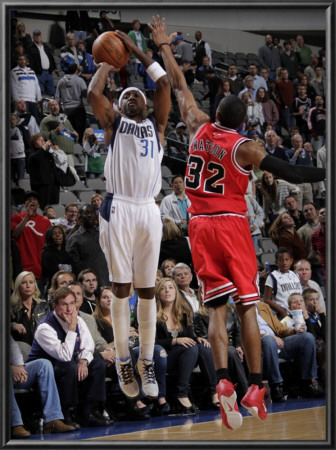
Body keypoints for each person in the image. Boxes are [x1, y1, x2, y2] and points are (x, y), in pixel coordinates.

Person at [149, 15, 326, 430]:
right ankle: (257, 385)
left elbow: (177, 83)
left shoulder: (196, 125)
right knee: (247, 308)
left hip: (199, 227)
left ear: (215, 113)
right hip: (229, 225)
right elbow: (293, 173)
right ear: (242, 121)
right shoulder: (244, 147)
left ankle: (225, 380)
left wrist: (163, 46)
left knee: (216, 309)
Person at [88, 29, 171, 400]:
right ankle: (124, 358)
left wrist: (136, 50)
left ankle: (146, 360)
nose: (135, 98)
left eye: (139, 95)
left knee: (148, 290)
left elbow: (165, 83)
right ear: (120, 106)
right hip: (119, 205)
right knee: (122, 288)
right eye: (128, 97)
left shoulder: (157, 126)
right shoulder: (113, 125)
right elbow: (93, 94)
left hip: (149, 208)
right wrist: (107, 64)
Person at [26, 287, 110, 428]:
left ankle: (89, 411)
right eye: (64, 304)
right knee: (69, 366)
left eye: (72, 303)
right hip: (45, 369)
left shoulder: (78, 320)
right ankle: (66, 412)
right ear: (55, 306)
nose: (69, 308)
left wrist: (84, 360)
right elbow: (64, 356)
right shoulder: (44, 328)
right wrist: (71, 329)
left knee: (97, 362)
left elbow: (88, 345)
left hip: (67, 363)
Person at [93, 286, 170, 417]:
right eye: (105, 297)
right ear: (99, 301)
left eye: (112, 297)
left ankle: (160, 397)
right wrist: (122, 339)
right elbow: (102, 345)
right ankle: (137, 401)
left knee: (158, 351)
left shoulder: (123, 317)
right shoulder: (96, 320)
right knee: (127, 351)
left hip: (135, 347)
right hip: (116, 353)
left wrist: (136, 334)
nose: (109, 300)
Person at [256, 300, 324, 402]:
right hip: (259, 344)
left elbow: (280, 328)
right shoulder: (240, 308)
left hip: (278, 341)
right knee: (268, 340)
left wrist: (294, 330)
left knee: (307, 337)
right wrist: (270, 337)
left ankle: (309, 382)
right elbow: (243, 333)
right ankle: (276, 386)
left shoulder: (262, 306)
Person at [10, 336, 75, 438]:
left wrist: (20, 366)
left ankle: (52, 420)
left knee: (44, 364)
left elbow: (12, 345)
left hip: (15, 372)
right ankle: (14, 424)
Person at [155, 277, 199, 414]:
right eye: (163, 288)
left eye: (170, 287)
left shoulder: (183, 314)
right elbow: (151, 342)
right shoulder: (153, 316)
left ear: (176, 292)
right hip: (162, 357)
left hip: (182, 357)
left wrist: (199, 339)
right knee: (191, 348)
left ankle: (213, 392)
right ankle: (182, 393)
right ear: (158, 294)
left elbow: (190, 337)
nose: (167, 291)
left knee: (201, 347)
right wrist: (175, 341)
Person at [11, 191, 52, 294]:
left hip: (39, 271)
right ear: (25, 204)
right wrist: (27, 217)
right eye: (28, 200)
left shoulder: (45, 222)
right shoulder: (16, 218)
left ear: (38, 204)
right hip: (21, 270)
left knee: (39, 306)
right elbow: (15, 234)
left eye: (34, 200)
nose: (31, 201)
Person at [66, 204, 110, 287]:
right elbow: (74, 266)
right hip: (86, 285)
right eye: (86, 213)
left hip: (105, 281)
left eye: (91, 213)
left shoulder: (103, 234)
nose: (89, 215)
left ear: (96, 215)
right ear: (79, 217)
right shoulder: (74, 238)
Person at [10, 271, 50, 345]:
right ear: (18, 286)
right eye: (24, 283)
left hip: (41, 347)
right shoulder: (11, 307)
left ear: (35, 286)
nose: (28, 285)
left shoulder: (44, 306)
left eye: (31, 282)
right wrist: (12, 325)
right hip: (21, 348)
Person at [263, 247, 302, 318]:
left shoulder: (295, 275)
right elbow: (266, 299)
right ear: (276, 262)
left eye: (287, 260)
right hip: (283, 314)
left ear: (291, 260)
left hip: (298, 311)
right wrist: (281, 310)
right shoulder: (273, 277)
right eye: (281, 260)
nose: (284, 263)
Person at [39, 99, 79, 168]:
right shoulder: (46, 120)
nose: (55, 107)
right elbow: (43, 136)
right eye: (52, 105)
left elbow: (72, 135)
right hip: (57, 154)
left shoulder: (65, 120)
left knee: (71, 176)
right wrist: (55, 132)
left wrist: (75, 136)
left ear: (59, 106)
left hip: (69, 155)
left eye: (56, 104)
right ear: (48, 108)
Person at [55, 63, 88, 144]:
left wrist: (59, 112)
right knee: (79, 132)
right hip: (78, 109)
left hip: (66, 109)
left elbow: (57, 98)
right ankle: (80, 149)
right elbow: (85, 94)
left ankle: (71, 149)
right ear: (76, 70)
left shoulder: (61, 81)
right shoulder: (80, 80)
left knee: (68, 132)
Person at [27, 133, 61, 208]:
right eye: (39, 140)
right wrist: (45, 146)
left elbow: (59, 161)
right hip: (41, 185)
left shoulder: (47, 152)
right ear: (34, 142)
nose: (43, 141)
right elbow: (36, 157)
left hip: (53, 183)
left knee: (54, 205)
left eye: (43, 139)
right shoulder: (31, 153)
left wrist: (56, 150)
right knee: (44, 206)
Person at [297, 203, 324, 286]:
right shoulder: (301, 231)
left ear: (316, 211)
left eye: (311, 209)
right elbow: (300, 250)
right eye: (306, 211)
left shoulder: (328, 226)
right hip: (314, 266)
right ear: (303, 215)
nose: (308, 212)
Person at [11, 54, 42, 125]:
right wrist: (17, 101)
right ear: (17, 61)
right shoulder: (14, 71)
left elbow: (36, 85)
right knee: (25, 121)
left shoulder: (31, 71)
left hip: (33, 100)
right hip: (23, 101)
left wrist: (39, 99)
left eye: (24, 59)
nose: (22, 61)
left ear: (26, 61)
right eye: (20, 60)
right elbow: (14, 87)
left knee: (36, 121)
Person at [42, 224, 75, 289]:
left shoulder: (68, 254)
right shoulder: (47, 255)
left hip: (70, 287)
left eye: (60, 233)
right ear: (50, 237)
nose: (58, 235)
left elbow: (75, 271)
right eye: (54, 233)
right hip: (55, 288)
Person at [26, 29, 57, 97]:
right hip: (39, 73)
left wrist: (53, 68)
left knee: (51, 92)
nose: (38, 37)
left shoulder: (46, 46)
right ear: (33, 37)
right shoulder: (30, 48)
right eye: (36, 36)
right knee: (40, 93)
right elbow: (30, 61)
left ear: (41, 36)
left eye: (39, 35)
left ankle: (51, 106)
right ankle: (42, 107)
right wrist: (35, 70)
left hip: (48, 72)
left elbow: (51, 58)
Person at [127, 19, 148, 84]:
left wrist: (145, 54)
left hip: (141, 56)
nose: (137, 25)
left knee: (141, 74)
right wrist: (132, 57)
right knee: (134, 75)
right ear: (133, 25)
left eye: (138, 24)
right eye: (136, 24)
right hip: (135, 57)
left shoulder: (141, 34)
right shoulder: (130, 34)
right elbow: (129, 46)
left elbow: (144, 46)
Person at [276, 68, 296, 133]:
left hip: (291, 105)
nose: (285, 75)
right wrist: (283, 104)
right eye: (283, 73)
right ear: (281, 75)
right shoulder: (279, 83)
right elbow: (278, 95)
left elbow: (292, 92)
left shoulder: (290, 82)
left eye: (286, 73)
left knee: (293, 123)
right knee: (287, 124)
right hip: (284, 106)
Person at [311, 207, 326, 286]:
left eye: (326, 212)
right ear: (318, 217)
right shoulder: (314, 236)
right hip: (326, 273)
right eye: (321, 213)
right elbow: (314, 251)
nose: (324, 214)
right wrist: (322, 259)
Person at [10, 113, 26, 185]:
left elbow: (28, 115)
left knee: (21, 179)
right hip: (10, 158)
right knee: (10, 179)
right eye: (9, 120)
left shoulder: (20, 128)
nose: (12, 121)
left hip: (20, 157)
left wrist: (18, 116)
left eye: (13, 119)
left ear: (17, 120)